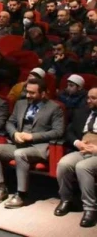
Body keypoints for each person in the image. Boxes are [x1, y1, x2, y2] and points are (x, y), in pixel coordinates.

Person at [0, 78, 64, 208]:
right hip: (18, 144)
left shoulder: (54, 108)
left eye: (32, 93)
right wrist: (14, 133)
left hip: (38, 147)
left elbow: (58, 132)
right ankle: (1, 188)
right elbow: (10, 122)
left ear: (43, 93)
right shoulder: (20, 104)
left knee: (20, 154)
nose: (28, 95)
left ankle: (21, 194)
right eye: (27, 91)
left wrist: (32, 137)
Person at [55, 87, 97, 228]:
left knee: (82, 167)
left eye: (93, 98)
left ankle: (90, 209)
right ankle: (67, 199)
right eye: (88, 97)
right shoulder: (81, 112)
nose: (88, 100)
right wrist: (77, 143)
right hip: (83, 150)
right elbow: (69, 132)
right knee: (63, 164)